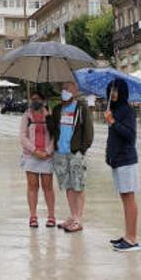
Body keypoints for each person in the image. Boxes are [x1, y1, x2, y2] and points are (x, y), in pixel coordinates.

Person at [49, 81, 94, 233]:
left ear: (75, 91)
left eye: (67, 88)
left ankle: (78, 219)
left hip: (75, 153)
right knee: (68, 186)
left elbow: (89, 132)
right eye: (63, 88)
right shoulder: (57, 109)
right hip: (60, 153)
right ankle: (73, 215)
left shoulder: (81, 108)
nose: (64, 91)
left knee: (78, 185)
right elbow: (53, 130)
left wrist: (82, 149)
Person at [103, 78, 140, 252]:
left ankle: (132, 238)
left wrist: (112, 122)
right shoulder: (114, 110)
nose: (113, 93)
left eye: (116, 90)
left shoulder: (127, 111)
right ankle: (127, 235)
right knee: (124, 198)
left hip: (127, 160)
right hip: (117, 161)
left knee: (129, 198)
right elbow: (113, 139)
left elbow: (130, 135)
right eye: (111, 90)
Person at [20, 91, 55, 228]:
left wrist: (47, 151)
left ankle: (51, 216)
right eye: (33, 98)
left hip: (47, 156)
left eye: (38, 99)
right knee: (32, 186)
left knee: (48, 187)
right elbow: (22, 137)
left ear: (43, 100)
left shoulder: (50, 115)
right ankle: (33, 216)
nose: (35, 101)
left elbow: (54, 135)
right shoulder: (26, 116)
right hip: (31, 156)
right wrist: (34, 150)